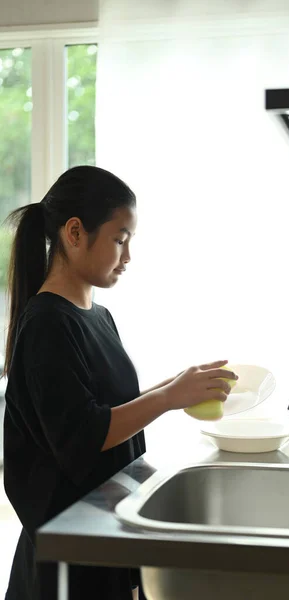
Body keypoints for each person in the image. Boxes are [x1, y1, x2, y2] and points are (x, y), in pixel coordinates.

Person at [2, 165, 237, 600]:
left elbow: (101, 407)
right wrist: (167, 397)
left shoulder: (97, 316)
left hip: (100, 538)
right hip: (65, 559)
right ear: (75, 233)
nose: (127, 257)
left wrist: (175, 388)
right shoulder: (47, 324)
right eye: (119, 239)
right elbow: (82, 435)